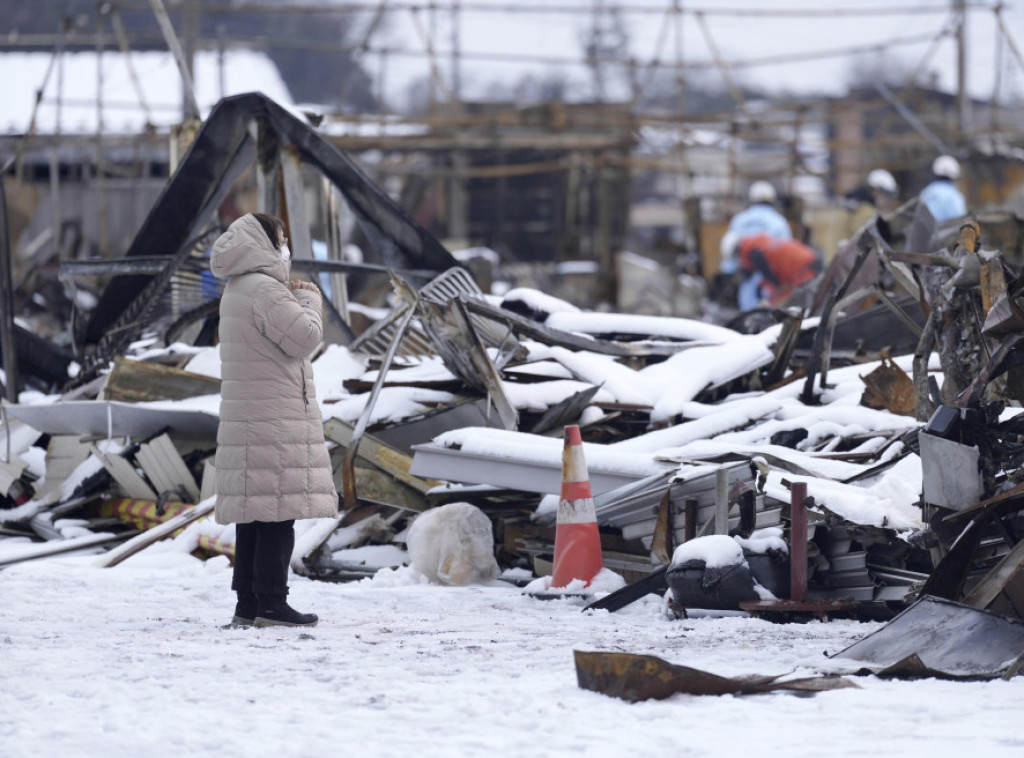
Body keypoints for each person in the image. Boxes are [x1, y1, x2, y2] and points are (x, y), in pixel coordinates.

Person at [210, 212, 339, 628]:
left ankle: (248, 604)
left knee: (254, 515)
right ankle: (271, 604)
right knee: (278, 514)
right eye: (281, 239)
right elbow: (305, 338)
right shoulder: (265, 289)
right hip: (274, 417)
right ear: (263, 243)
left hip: (251, 416)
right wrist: (309, 299)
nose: (286, 247)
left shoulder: (237, 287)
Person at [727, 233, 823, 310]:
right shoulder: (758, 243)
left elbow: (777, 283)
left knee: (786, 309)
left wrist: (770, 302)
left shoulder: (754, 254)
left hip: (804, 270)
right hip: (808, 260)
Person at [726, 181, 793, 241]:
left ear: (751, 198)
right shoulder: (779, 221)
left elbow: (729, 245)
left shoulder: (739, 220)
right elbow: (787, 246)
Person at [920, 155, 967, 222]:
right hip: (948, 228)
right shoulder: (953, 194)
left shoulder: (926, 192)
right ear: (953, 177)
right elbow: (960, 219)